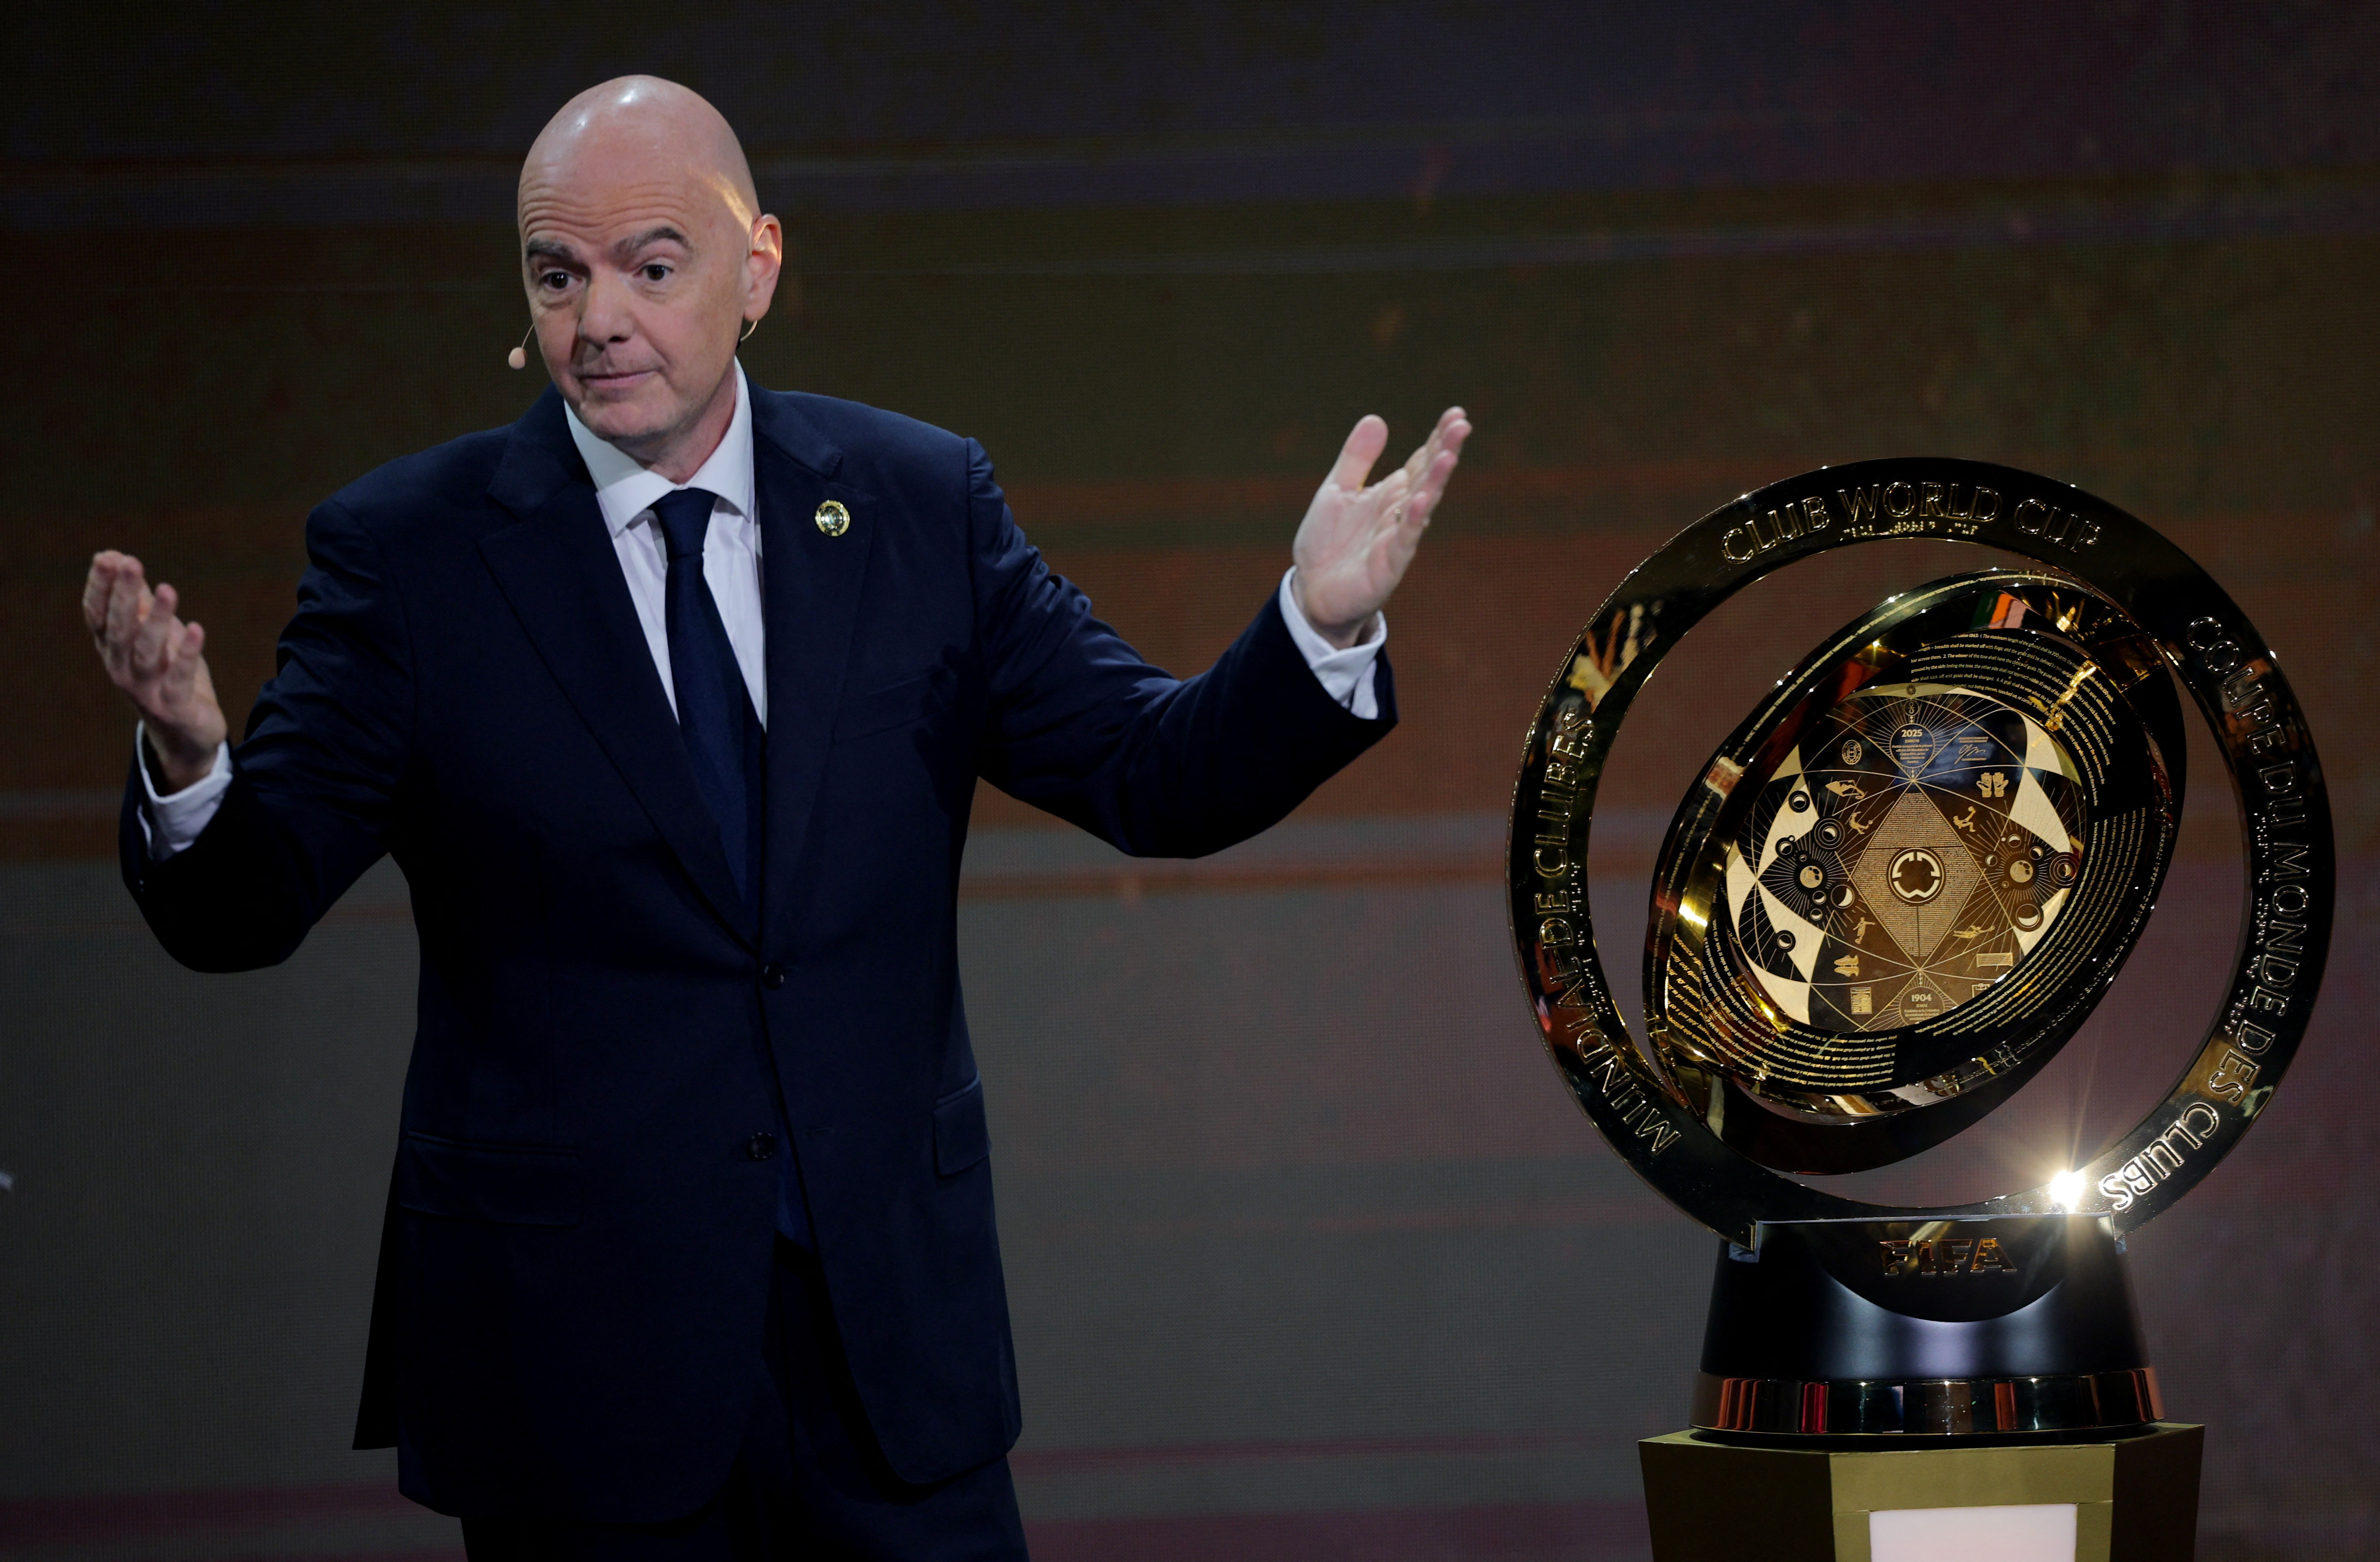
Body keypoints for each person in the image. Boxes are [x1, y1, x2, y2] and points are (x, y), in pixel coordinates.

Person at [80, 75, 1469, 1562]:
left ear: (759, 270)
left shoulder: (919, 504)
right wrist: (191, 754)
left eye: (650, 267)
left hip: (891, 1361)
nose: (599, 319)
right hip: (579, 1373)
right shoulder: (412, 555)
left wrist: (1314, 627)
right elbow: (245, 905)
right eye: (558, 275)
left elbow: (1153, 773)